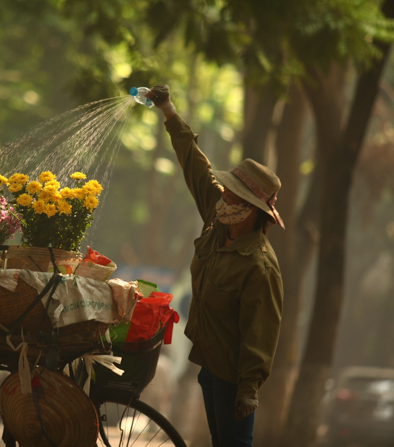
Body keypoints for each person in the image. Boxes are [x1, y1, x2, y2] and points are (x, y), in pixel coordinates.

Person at [146, 84, 283, 447]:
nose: (223, 198)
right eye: (224, 191)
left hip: (235, 377)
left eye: (232, 196)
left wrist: (249, 389)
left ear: (252, 209)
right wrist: (169, 111)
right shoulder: (217, 219)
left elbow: (261, 332)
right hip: (209, 365)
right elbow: (195, 163)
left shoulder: (259, 266)